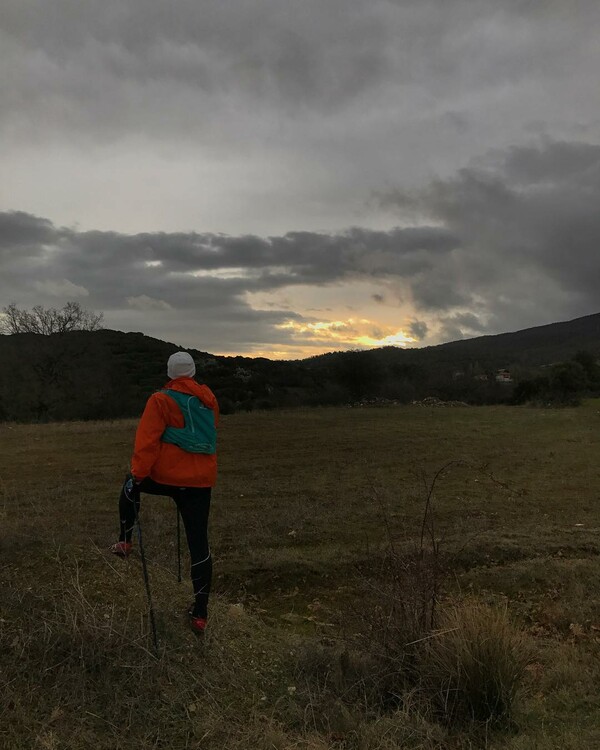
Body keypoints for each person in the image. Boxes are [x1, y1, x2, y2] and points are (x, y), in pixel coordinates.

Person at [111, 351, 219, 634]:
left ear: (169, 374)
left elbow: (146, 444)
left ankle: (124, 541)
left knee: (129, 484)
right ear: (193, 373)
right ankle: (200, 613)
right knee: (199, 544)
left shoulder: (159, 399)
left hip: (165, 477)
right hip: (200, 482)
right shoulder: (209, 401)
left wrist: (137, 476)